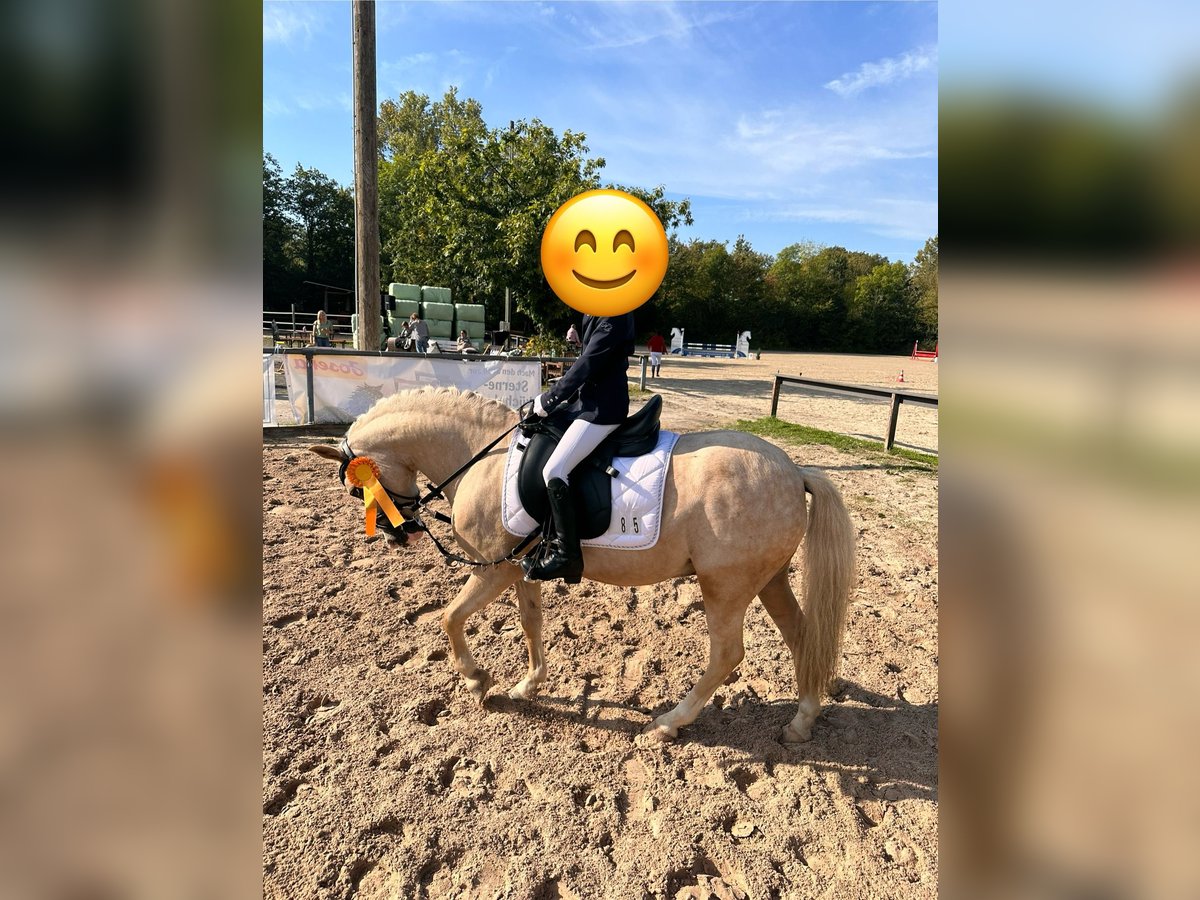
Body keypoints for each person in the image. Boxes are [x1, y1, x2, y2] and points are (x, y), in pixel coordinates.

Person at [522, 313, 635, 583]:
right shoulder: (595, 310)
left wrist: (550, 398)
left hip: (603, 410)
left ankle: (567, 555)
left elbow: (590, 361)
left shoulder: (616, 312)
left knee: (555, 470)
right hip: (585, 403)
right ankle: (548, 534)